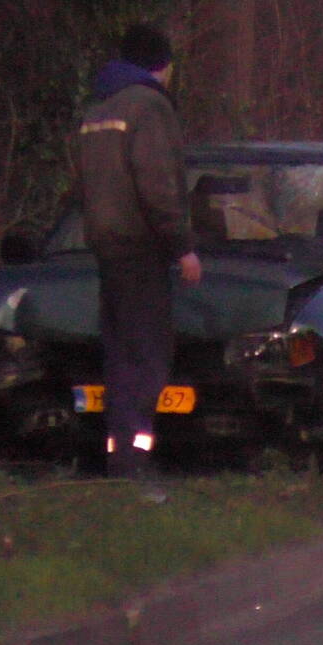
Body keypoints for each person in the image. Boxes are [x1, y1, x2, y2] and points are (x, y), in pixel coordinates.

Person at [76, 24, 202, 479]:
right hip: (143, 248)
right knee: (148, 356)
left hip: (106, 251)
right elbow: (158, 184)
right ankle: (136, 459)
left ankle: (119, 454)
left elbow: (86, 186)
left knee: (119, 356)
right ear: (161, 66)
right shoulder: (149, 106)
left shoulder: (98, 107)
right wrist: (182, 247)